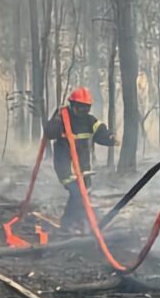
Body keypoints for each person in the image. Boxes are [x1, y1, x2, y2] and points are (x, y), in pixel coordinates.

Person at [44, 87, 119, 233]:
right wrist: (57, 118)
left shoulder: (89, 121)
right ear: (72, 105)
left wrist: (110, 138)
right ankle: (67, 225)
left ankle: (81, 222)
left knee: (85, 195)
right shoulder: (63, 120)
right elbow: (49, 133)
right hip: (65, 168)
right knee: (77, 193)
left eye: (86, 108)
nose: (83, 112)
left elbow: (100, 131)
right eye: (80, 108)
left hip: (83, 168)